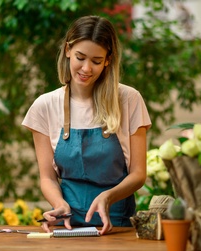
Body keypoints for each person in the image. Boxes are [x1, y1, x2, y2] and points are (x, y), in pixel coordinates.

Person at [22, 15, 151, 235]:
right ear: (67, 50)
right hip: (67, 227)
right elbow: (47, 177)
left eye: (96, 61)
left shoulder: (129, 100)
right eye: (80, 57)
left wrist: (108, 197)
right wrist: (60, 206)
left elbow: (139, 174)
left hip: (116, 226)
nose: (86, 68)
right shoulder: (44, 106)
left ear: (108, 60)